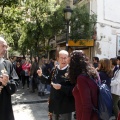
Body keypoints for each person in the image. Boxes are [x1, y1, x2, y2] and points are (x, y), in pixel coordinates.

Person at [37, 50, 75, 120]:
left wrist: (61, 87)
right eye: (61, 58)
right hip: (54, 104)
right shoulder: (54, 69)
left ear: (68, 58)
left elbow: (74, 89)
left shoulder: (71, 71)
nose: (63, 60)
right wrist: (41, 75)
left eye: (65, 58)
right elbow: (49, 80)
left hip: (65, 106)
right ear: (57, 58)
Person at [69, 50, 99, 120]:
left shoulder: (81, 78)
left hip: (85, 116)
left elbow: (87, 105)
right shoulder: (93, 73)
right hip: (95, 115)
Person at [0, 37, 19, 120]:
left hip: (5, 111)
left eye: (6, 47)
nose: (5, 49)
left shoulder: (8, 64)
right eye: (3, 46)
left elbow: (16, 83)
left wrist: (6, 83)